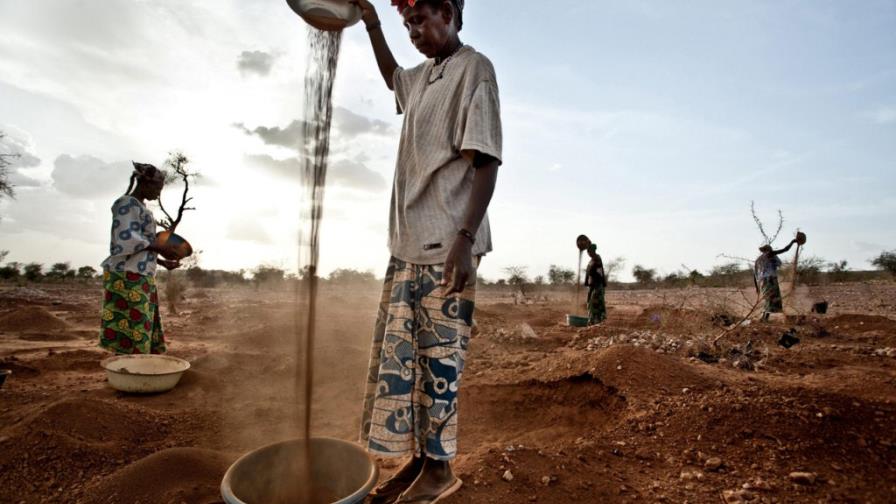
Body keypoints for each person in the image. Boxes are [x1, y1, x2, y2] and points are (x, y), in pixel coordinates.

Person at [350, 0, 502, 502]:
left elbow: (485, 163)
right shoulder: (423, 77)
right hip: (407, 244)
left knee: (439, 363)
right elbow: (392, 74)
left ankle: (441, 471)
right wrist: (371, 23)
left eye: (420, 20)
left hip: (445, 247)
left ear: (449, 14)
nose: (414, 31)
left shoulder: (473, 69)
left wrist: (463, 240)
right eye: (407, 24)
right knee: (409, 361)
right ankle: (419, 460)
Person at [99, 162, 180, 354]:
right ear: (145, 183)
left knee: (141, 324)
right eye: (157, 188)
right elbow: (125, 238)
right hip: (126, 276)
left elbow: (142, 245)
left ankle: (137, 367)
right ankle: (129, 370)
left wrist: (161, 261)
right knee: (131, 326)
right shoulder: (126, 204)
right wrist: (160, 248)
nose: (158, 194)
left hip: (140, 274)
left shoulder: (142, 209)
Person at [753, 238, 798, 321]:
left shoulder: (758, 260)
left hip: (763, 281)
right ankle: (765, 318)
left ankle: (765, 317)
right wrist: (792, 242)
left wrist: (757, 287)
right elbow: (785, 249)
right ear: (768, 250)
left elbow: (755, 275)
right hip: (770, 279)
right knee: (771, 298)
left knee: (768, 298)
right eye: (770, 250)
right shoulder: (770, 254)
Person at [584, 243, 607, 324]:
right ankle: (592, 321)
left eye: (589, 251)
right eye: (587, 252)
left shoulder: (597, 259)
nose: (588, 253)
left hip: (597, 285)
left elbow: (599, 273)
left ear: (593, 251)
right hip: (592, 286)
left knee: (596, 303)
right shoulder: (592, 260)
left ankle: (596, 321)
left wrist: (597, 286)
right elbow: (588, 273)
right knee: (590, 303)